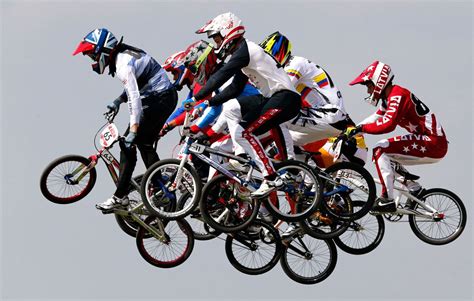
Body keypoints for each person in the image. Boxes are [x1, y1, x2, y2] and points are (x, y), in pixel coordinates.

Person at [185, 12, 301, 197]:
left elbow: (221, 75)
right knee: (231, 108)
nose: (216, 44)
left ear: (227, 32)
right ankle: (245, 154)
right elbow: (234, 89)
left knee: (244, 132)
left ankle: (270, 177)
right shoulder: (245, 54)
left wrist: (196, 97)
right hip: (271, 98)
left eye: (216, 38)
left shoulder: (245, 51)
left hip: (284, 99)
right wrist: (209, 102)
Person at [72, 28, 178, 210]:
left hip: (160, 99)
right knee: (136, 145)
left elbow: (135, 98)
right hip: (157, 98)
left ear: (103, 50)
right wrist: (119, 100)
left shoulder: (123, 65)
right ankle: (157, 183)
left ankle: (122, 196)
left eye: (92, 55)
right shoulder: (123, 55)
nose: (93, 60)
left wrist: (134, 128)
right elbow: (139, 83)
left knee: (134, 143)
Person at [346, 60, 448, 212]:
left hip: (433, 142)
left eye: (368, 85)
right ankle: (415, 189)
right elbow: (375, 118)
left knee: (380, 149)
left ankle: (387, 199)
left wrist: (361, 129)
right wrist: (350, 131)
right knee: (386, 155)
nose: (368, 91)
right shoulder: (389, 99)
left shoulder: (397, 95)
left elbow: (387, 124)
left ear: (378, 81)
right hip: (428, 141)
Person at [259, 31, 363, 161]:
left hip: (331, 115)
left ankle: (290, 167)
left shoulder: (295, 64)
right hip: (329, 117)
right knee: (286, 141)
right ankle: (307, 177)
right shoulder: (291, 65)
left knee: (278, 118)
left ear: (277, 53)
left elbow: (280, 91)